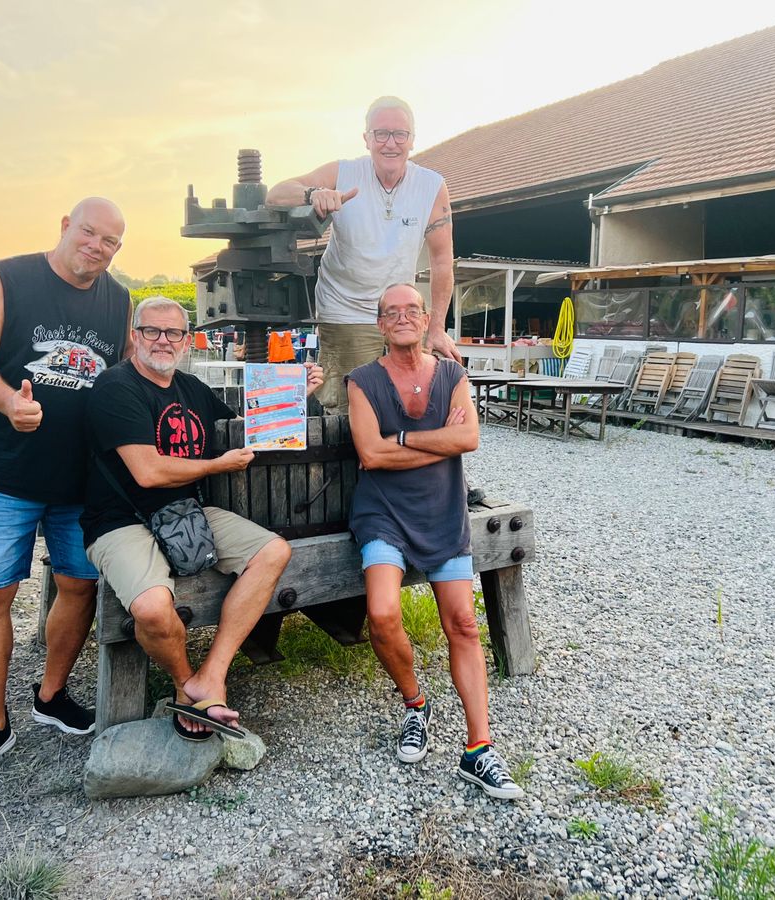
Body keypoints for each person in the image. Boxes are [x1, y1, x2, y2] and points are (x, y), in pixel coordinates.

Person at [0, 197, 133, 784]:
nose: (97, 247)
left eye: (110, 242)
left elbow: (132, 369)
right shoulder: (3, 278)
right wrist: (8, 402)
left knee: (78, 584)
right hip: (7, 475)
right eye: (89, 233)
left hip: (81, 481)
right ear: (65, 226)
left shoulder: (119, 299)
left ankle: (50, 695)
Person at [82, 297, 324, 739]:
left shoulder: (191, 388)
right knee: (154, 610)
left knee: (272, 552)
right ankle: (184, 684)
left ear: (186, 340)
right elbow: (148, 470)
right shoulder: (116, 387)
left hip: (185, 513)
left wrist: (295, 394)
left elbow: (247, 427)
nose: (162, 341)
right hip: (119, 520)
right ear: (135, 336)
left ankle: (211, 676)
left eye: (173, 333)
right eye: (152, 331)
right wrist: (217, 466)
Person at [345, 284, 524, 800]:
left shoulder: (452, 374)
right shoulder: (362, 381)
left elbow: (468, 440)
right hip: (382, 513)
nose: (402, 317)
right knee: (381, 614)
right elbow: (371, 457)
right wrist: (434, 444)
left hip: (442, 510)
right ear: (380, 325)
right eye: (391, 311)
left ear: (426, 320)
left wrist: (400, 438)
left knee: (463, 624)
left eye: (412, 309)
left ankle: (478, 749)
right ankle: (416, 706)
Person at [267, 96, 460, 414]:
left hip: (401, 316)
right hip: (346, 312)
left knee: (408, 404)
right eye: (381, 133)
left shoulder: (431, 186)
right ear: (367, 138)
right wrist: (314, 194)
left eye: (400, 134)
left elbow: (441, 261)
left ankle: (395, 459)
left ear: (412, 140)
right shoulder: (343, 173)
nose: (390, 143)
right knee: (349, 411)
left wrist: (436, 328)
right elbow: (276, 194)